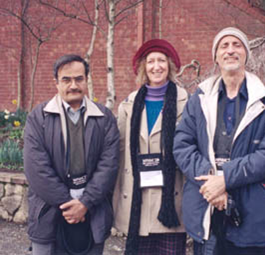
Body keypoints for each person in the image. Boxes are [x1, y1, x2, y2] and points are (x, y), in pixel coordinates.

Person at [173, 27, 265, 255]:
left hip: (253, 215)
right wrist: (212, 183)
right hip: (206, 209)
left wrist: (225, 178)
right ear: (216, 56)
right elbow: (182, 144)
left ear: (246, 53)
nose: (230, 51)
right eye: (224, 46)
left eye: (237, 45)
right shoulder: (199, 100)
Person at [24, 54, 119, 255]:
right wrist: (69, 205)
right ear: (56, 83)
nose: (73, 85)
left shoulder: (104, 118)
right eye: (66, 79)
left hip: (93, 212)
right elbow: (36, 169)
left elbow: (108, 165)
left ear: (86, 80)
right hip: (48, 214)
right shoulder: (39, 117)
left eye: (79, 79)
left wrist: (85, 203)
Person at [112, 39, 189, 255]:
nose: (156, 66)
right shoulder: (129, 104)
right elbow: (119, 150)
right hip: (138, 201)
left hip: (171, 204)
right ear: (144, 67)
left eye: (161, 60)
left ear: (170, 65)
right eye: (151, 61)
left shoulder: (186, 102)